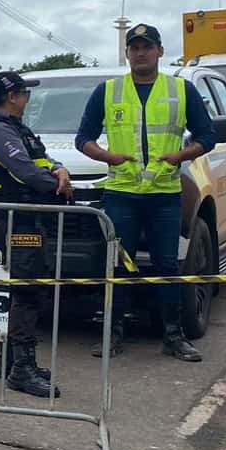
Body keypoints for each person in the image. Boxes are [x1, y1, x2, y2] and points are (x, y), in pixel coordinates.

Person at [76, 24, 215, 362]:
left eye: (147, 47)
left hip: (165, 194)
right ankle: (112, 333)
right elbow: (84, 139)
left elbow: (206, 136)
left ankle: (173, 335)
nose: (141, 53)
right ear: (127, 53)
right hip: (121, 193)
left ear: (160, 51)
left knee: (167, 265)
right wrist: (107, 157)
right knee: (118, 265)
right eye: (134, 47)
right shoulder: (108, 90)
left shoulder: (181, 90)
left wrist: (181, 156)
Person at [0, 70, 71, 397]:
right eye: (24, 93)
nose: (27, 99)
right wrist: (57, 187)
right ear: (11, 96)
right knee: (27, 292)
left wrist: (59, 169)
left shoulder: (13, 128)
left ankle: (12, 360)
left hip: (26, 217)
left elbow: (41, 159)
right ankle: (22, 370)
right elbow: (25, 171)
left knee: (25, 290)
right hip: (16, 219)